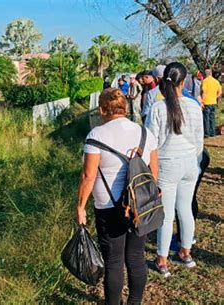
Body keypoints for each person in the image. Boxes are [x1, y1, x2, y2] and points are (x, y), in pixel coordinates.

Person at [76, 88, 158, 305]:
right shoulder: (145, 133)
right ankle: (134, 302)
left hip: (108, 205)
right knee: (136, 257)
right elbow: (153, 173)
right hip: (140, 205)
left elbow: (88, 175)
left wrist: (81, 206)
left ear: (102, 109)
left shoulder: (96, 136)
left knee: (113, 261)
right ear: (126, 107)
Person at [145, 62, 203, 278]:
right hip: (189, 162)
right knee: (185, 209)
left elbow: (153, 142)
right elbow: (199, 140)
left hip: (167, 163)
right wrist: (194, 160)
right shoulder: (194, 106)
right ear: (184, 81)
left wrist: (152, 168)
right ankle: (186, 252)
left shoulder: (158, 108)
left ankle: (162, 260)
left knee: (167, 214)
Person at [201, 69, 222, 137]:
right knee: (212, 118)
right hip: (213, 102)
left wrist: (202, 102)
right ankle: (212, 133)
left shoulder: (205, 81)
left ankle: (207, 134)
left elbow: (204, 92)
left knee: (206, 119)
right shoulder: (216, 81)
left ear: (205, 74)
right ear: (211, 74)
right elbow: (220, 92)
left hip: (207, 102)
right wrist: (215, 97)